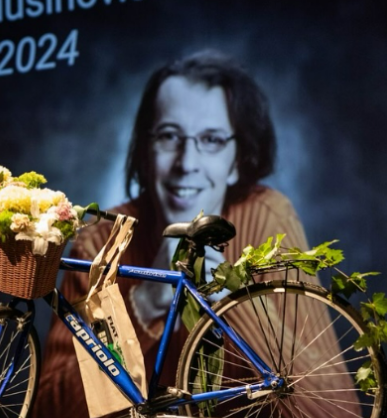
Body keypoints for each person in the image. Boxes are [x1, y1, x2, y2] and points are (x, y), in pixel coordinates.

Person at [34, 50, 356, 417]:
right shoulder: (101, 241)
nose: (186, 163)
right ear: (145, 153)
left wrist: (238, 304)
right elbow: (50, 411)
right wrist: (143, 307)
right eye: (169, 136)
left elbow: (340, 411)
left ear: (237, 161)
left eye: (212, 139)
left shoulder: (267, 220)